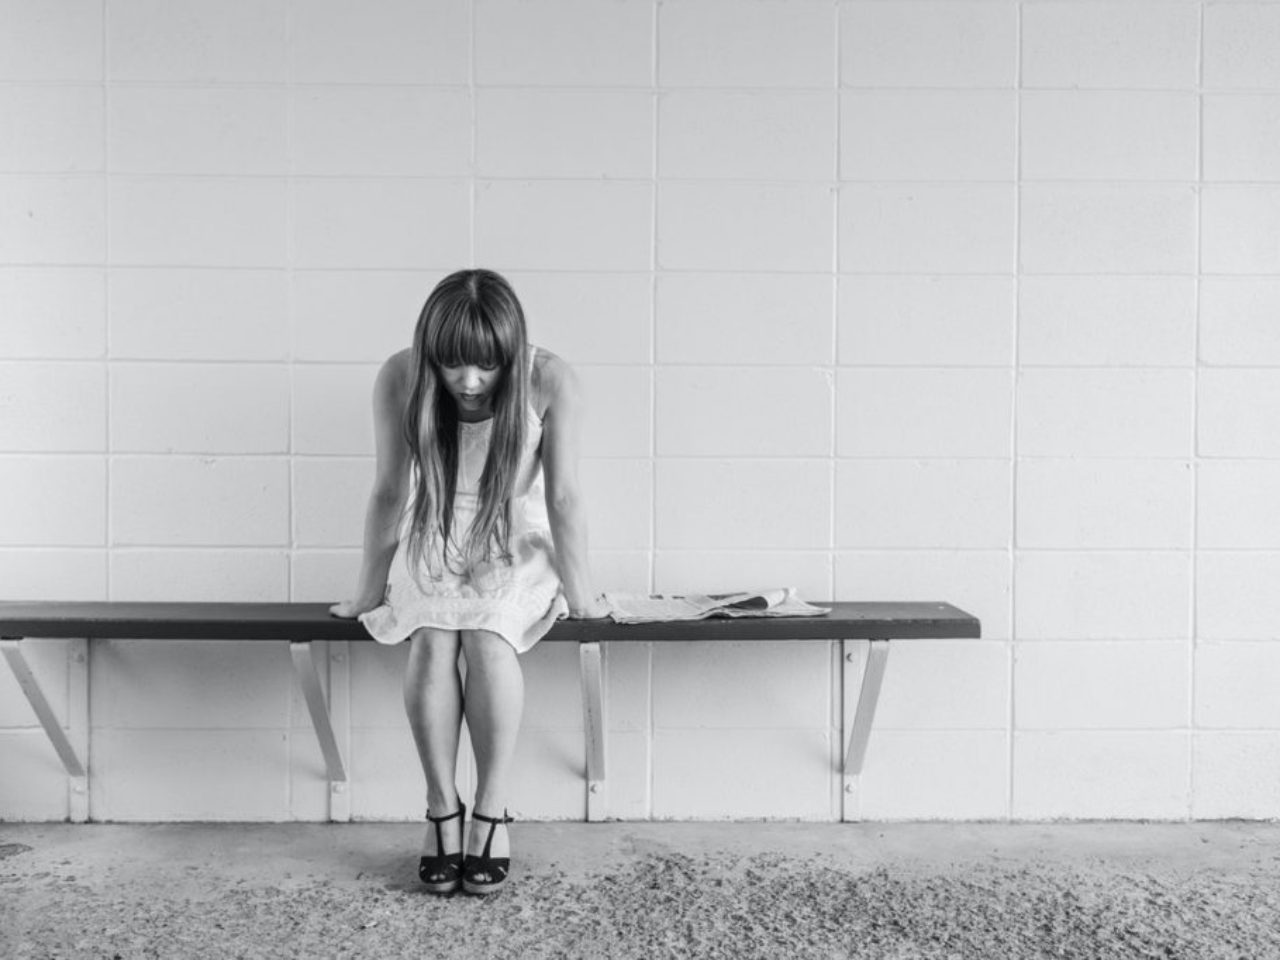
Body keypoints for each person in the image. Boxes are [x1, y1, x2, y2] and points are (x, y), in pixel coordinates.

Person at [330, 268, 609, 896]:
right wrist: (367, 592)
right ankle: (440, 809)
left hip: (515, 537)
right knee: (432, 636)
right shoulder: (400, 376)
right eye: (453, 365)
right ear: (431, 353)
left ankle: (492, 808)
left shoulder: (550, 380)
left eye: (487, 366)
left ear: (512, 354)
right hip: (433, 532)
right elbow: (387, 491)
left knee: (487, 636)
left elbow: (563, 498)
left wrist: (583, 593)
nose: (470, 382)